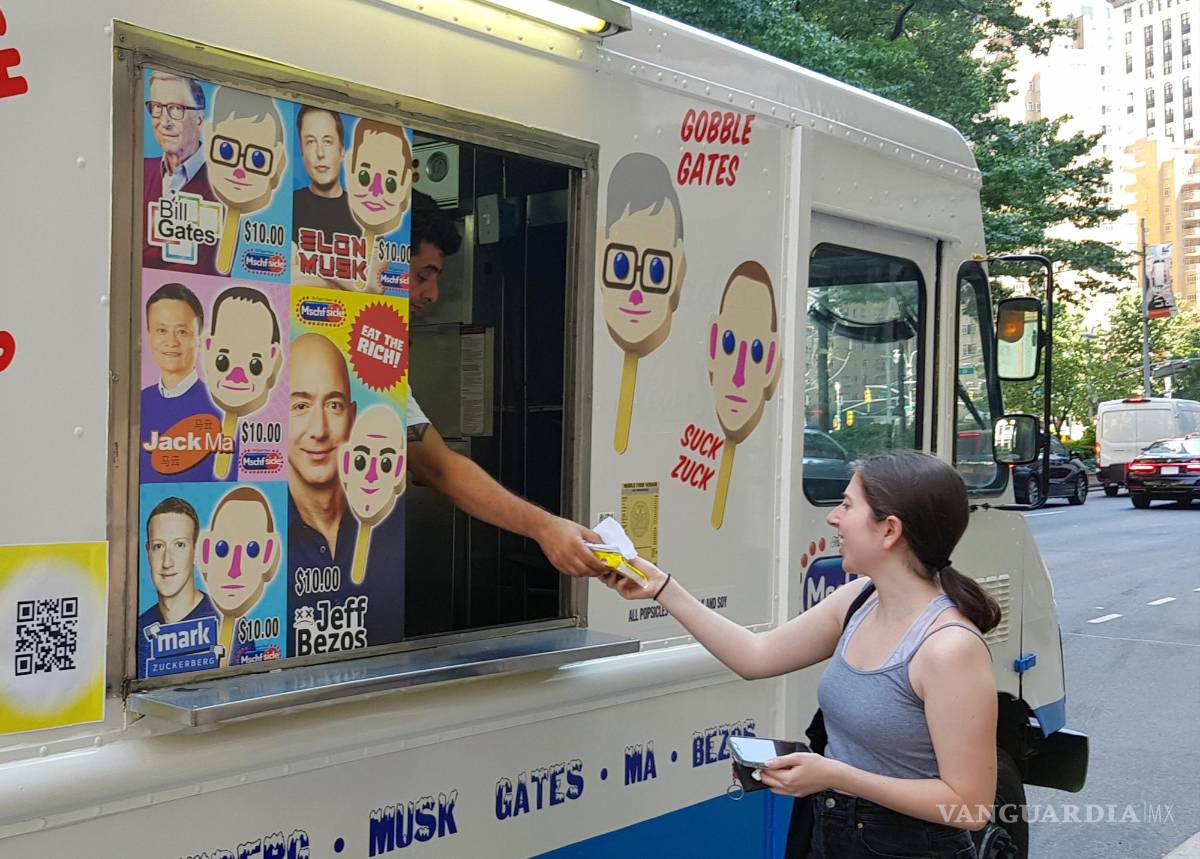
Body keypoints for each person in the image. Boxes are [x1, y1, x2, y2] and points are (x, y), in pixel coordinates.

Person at [601, 451, 1000, 858]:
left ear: (889, 530)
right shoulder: (857, 601)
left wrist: (835, 774)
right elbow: (756, 656)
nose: (833, 518)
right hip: (831, 833)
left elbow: (970, 806)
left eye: (847, 505)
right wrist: (662, 587)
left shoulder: (949, 648)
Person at [405, 194, 607, 578]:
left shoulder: (380, 372)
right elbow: (438, 469)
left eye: (434, 279)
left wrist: (546, 527)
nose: (431, 295)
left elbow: (439, 466)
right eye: (422, 275)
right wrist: (544, 527)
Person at [139, 282, 225, 482]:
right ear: (149, 335)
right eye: (161, 330)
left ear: (200, 339)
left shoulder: (221, 408)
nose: (171, 342)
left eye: (182, 332)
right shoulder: (138, 403)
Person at [142, 72, 219, 274]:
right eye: (157, 109)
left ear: (200, 120)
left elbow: (197, 267)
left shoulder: (223, 185)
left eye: (176, 109)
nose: (164, 122)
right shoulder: (139, 172)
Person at [136, 496, 219, 676]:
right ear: (148, 553)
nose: (167, 562)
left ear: (196, 552)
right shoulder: (137, 630)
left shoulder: (227, 625)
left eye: (179, 545)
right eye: (158, 546)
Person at [292, 106, 359, 243]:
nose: (320, 153)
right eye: (310, 142)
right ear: (302, 150)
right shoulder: (289, 205)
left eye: (327, 141)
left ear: (341, 150)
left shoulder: (363, 213)